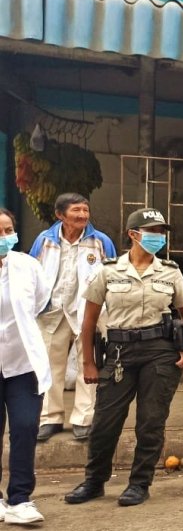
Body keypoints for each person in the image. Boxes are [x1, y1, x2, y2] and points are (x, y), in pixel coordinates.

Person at [64, 208, 183, 507]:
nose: (158, 237)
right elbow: (89, 319)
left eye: (162, 232)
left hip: (159, 352)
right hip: (119, 351)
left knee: (151, 421)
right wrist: (88, 362)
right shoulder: (108, 271)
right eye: (153, 231)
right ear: (133, 234)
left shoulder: (170, 271)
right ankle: (94, 481)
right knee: (105, 421)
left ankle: (139, 483)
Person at [29, 193, 116, 441]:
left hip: (87, 312)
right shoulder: (44, 241)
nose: (82, 215)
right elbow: (33, 273)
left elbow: (111, 275)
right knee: (48, 366)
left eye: (85, 211)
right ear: (60, 215)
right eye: (76, 210)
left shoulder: (100, 242)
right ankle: (50, 418)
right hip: (51, 311)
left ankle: (83, 419)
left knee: (88, 364)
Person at [0, 208, 51, 525]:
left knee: (24, 427)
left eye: (8, 230)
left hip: (23, 365)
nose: (5, 237)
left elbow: (40, 303)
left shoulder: (28, 266)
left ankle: (20, 498)